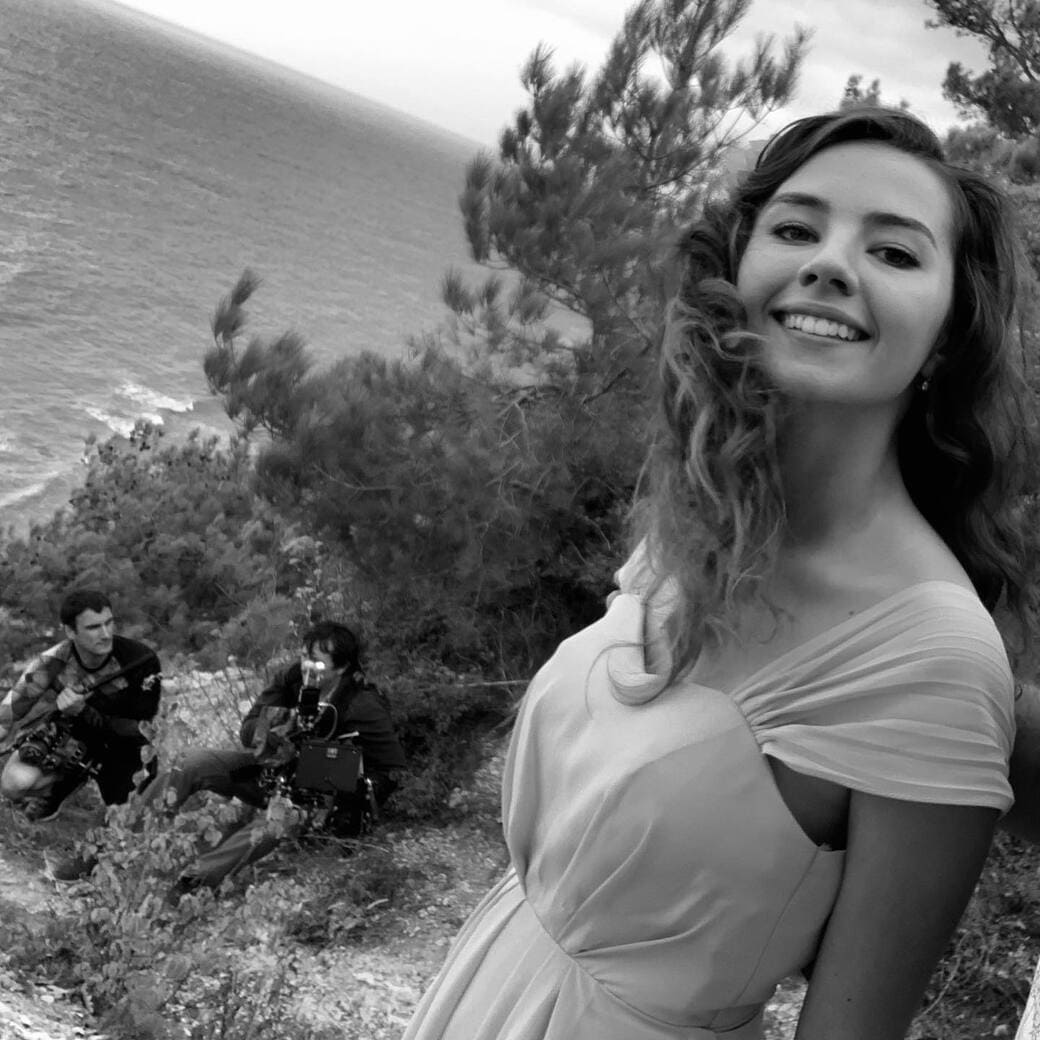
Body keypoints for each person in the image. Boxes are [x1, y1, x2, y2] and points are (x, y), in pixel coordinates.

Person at [404, 107, 1040, 1040]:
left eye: (895, 252)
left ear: (946, 336)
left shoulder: (934, 662)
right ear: (739, 269)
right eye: (796, 229)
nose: (830, 265)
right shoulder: (696, 518)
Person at [139, 620, 406, 895]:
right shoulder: (291, 679)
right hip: (274, 773)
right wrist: (277, 726)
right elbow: (248, 730)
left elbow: (393, 768)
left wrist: (353, 793)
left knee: (275, 823)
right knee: (192, 762)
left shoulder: (361, 703)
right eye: (304, 656)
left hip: (319, 798)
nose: (307, 666)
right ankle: (130, 839)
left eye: (317, 661)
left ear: (341, 667)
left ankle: (192, 882)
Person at [0, 589, 162, 822]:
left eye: (109, 623)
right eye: (93, 627)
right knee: (14, 784)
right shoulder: (52, 662)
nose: (105, 634)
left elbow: (144, 730)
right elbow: (6, 715)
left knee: (129, 818)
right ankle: (63, 785)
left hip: (125, 745)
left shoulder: (141, 660)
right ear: (70, 631)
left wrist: (83, 711)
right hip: (74, 739)